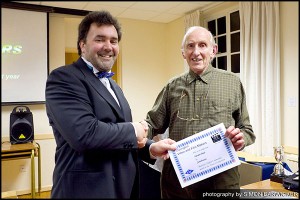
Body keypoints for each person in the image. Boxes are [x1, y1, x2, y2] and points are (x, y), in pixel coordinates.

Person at [45, 10, 176, 199]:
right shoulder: (64, 78)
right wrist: (133, 130)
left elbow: (117, 136)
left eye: (113, 41)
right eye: (100, 39)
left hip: (122, 190)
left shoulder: (114, 86)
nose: (108, 46)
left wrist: (149, 148)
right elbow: (85, 134)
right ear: (82, 45)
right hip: (85, 191)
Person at [145, 26, 256, 198]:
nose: (196, 52)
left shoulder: (232, 83)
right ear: (183, 52)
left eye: (202, 45)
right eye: (190, 46)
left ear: (214, 50)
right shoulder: (172, 86)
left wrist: (240, 139)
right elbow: (151, 124)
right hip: (178, 184)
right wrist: (137, 136)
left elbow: (246, 129)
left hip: (221, 183)